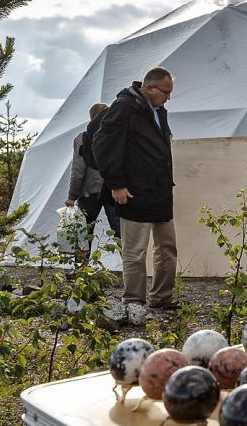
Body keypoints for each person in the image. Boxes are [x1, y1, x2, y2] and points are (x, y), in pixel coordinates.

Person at [93, 67, 178, 323]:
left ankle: (161, 297)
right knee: (135, 251)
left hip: (160, 191)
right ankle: (133, 302)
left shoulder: (157, 110)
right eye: (166, 92)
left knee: (167, 247)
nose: (168, 98)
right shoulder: (125, 107)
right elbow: (102, 145)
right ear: (150, 88)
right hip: (134, 192)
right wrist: (116, 184)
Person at [65, 103, 121, 246]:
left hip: (89, 193)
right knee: (121, 233)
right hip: (114, 189)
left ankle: (81, 268)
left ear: (91, 118)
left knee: (83, 234)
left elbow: (78, 170)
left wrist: (72, 196)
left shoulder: (83, 138)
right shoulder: (117, 135)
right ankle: (129, 267)